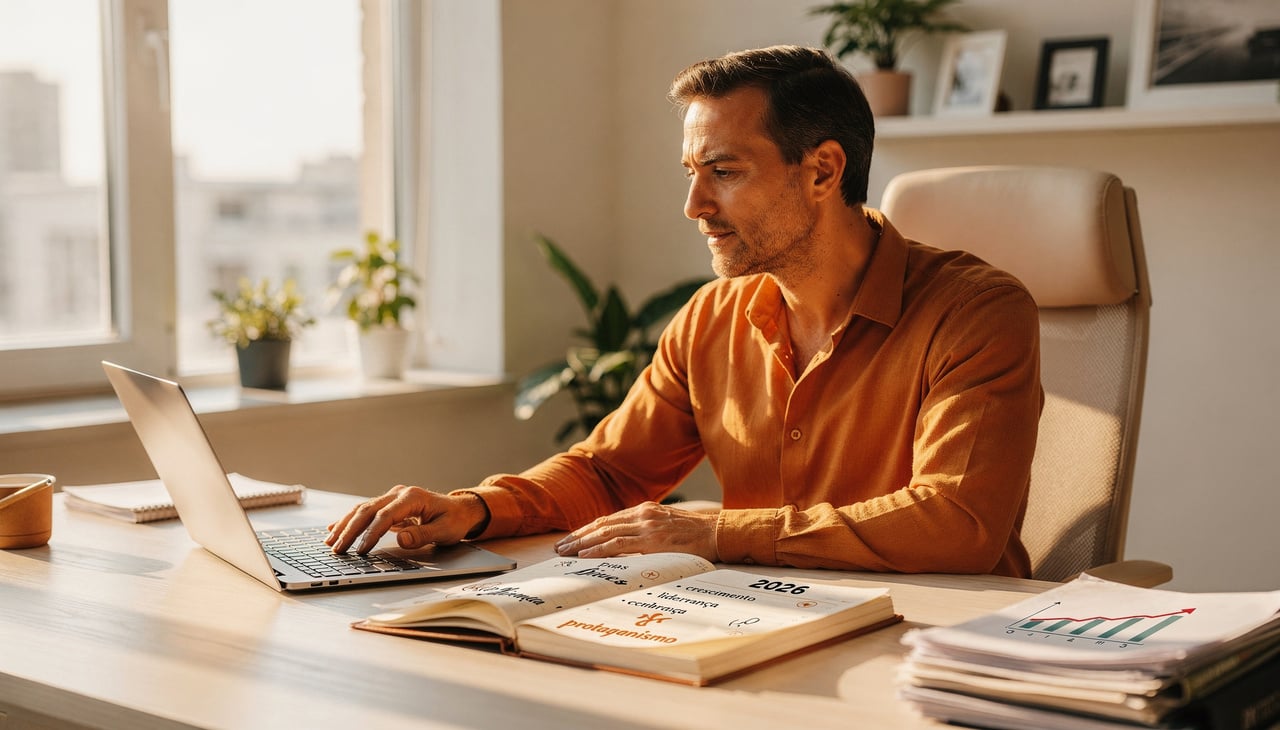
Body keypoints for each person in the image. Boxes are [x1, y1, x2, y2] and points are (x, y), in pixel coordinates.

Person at [327, 45, 1042, 577]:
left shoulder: (976, 313)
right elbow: (609, 474)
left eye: (724, 173)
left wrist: (719, 532)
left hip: (935, 645)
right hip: (762, 622)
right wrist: (474, 509)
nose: (695, 208)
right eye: (692, 175)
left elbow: (958, 523)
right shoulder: (711, 318)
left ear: (823, 170)